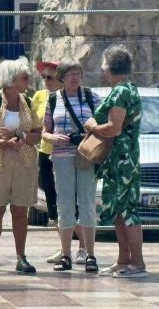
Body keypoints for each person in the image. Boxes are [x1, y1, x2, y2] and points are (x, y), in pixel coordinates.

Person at [85, 46, 146, 278]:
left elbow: (114, 127)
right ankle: (123, 260)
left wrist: (91, 126)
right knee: (119, 210)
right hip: (120, 158)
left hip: (122, 160)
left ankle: (138, 263)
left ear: (108, 67)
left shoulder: (121, 92)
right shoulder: (128, 89)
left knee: (128, 209)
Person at [0, 57, 41, 274]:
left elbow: (38, 134)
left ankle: (21, 258)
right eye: (24, 77)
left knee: (20, 211)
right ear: (11, 80)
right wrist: (5, 143)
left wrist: (18, 134)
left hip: (25, 163)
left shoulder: (28, 102)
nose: (28, 80)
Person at [42, 61, 100, 273]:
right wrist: (54, 137)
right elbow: (44, 131)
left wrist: (91, 132)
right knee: (64, 204)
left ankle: (90, 254)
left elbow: (102, 124)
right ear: (62, 77)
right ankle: (65, 254)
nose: (75, 78)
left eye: (78, 74)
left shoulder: (91, 97)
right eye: (70, 74)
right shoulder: (52, 99)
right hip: (61, 155)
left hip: (86, 154)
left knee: (86, 202)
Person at [30, 60, 61, 228]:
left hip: (67, 153)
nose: (46, 81)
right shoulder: (39, 96)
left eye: (50, 77)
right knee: (51, 199)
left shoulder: (69, 96)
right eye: (44, 77)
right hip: (45, 152)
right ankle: (62, 242)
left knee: (68, 199)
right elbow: (31, 123)